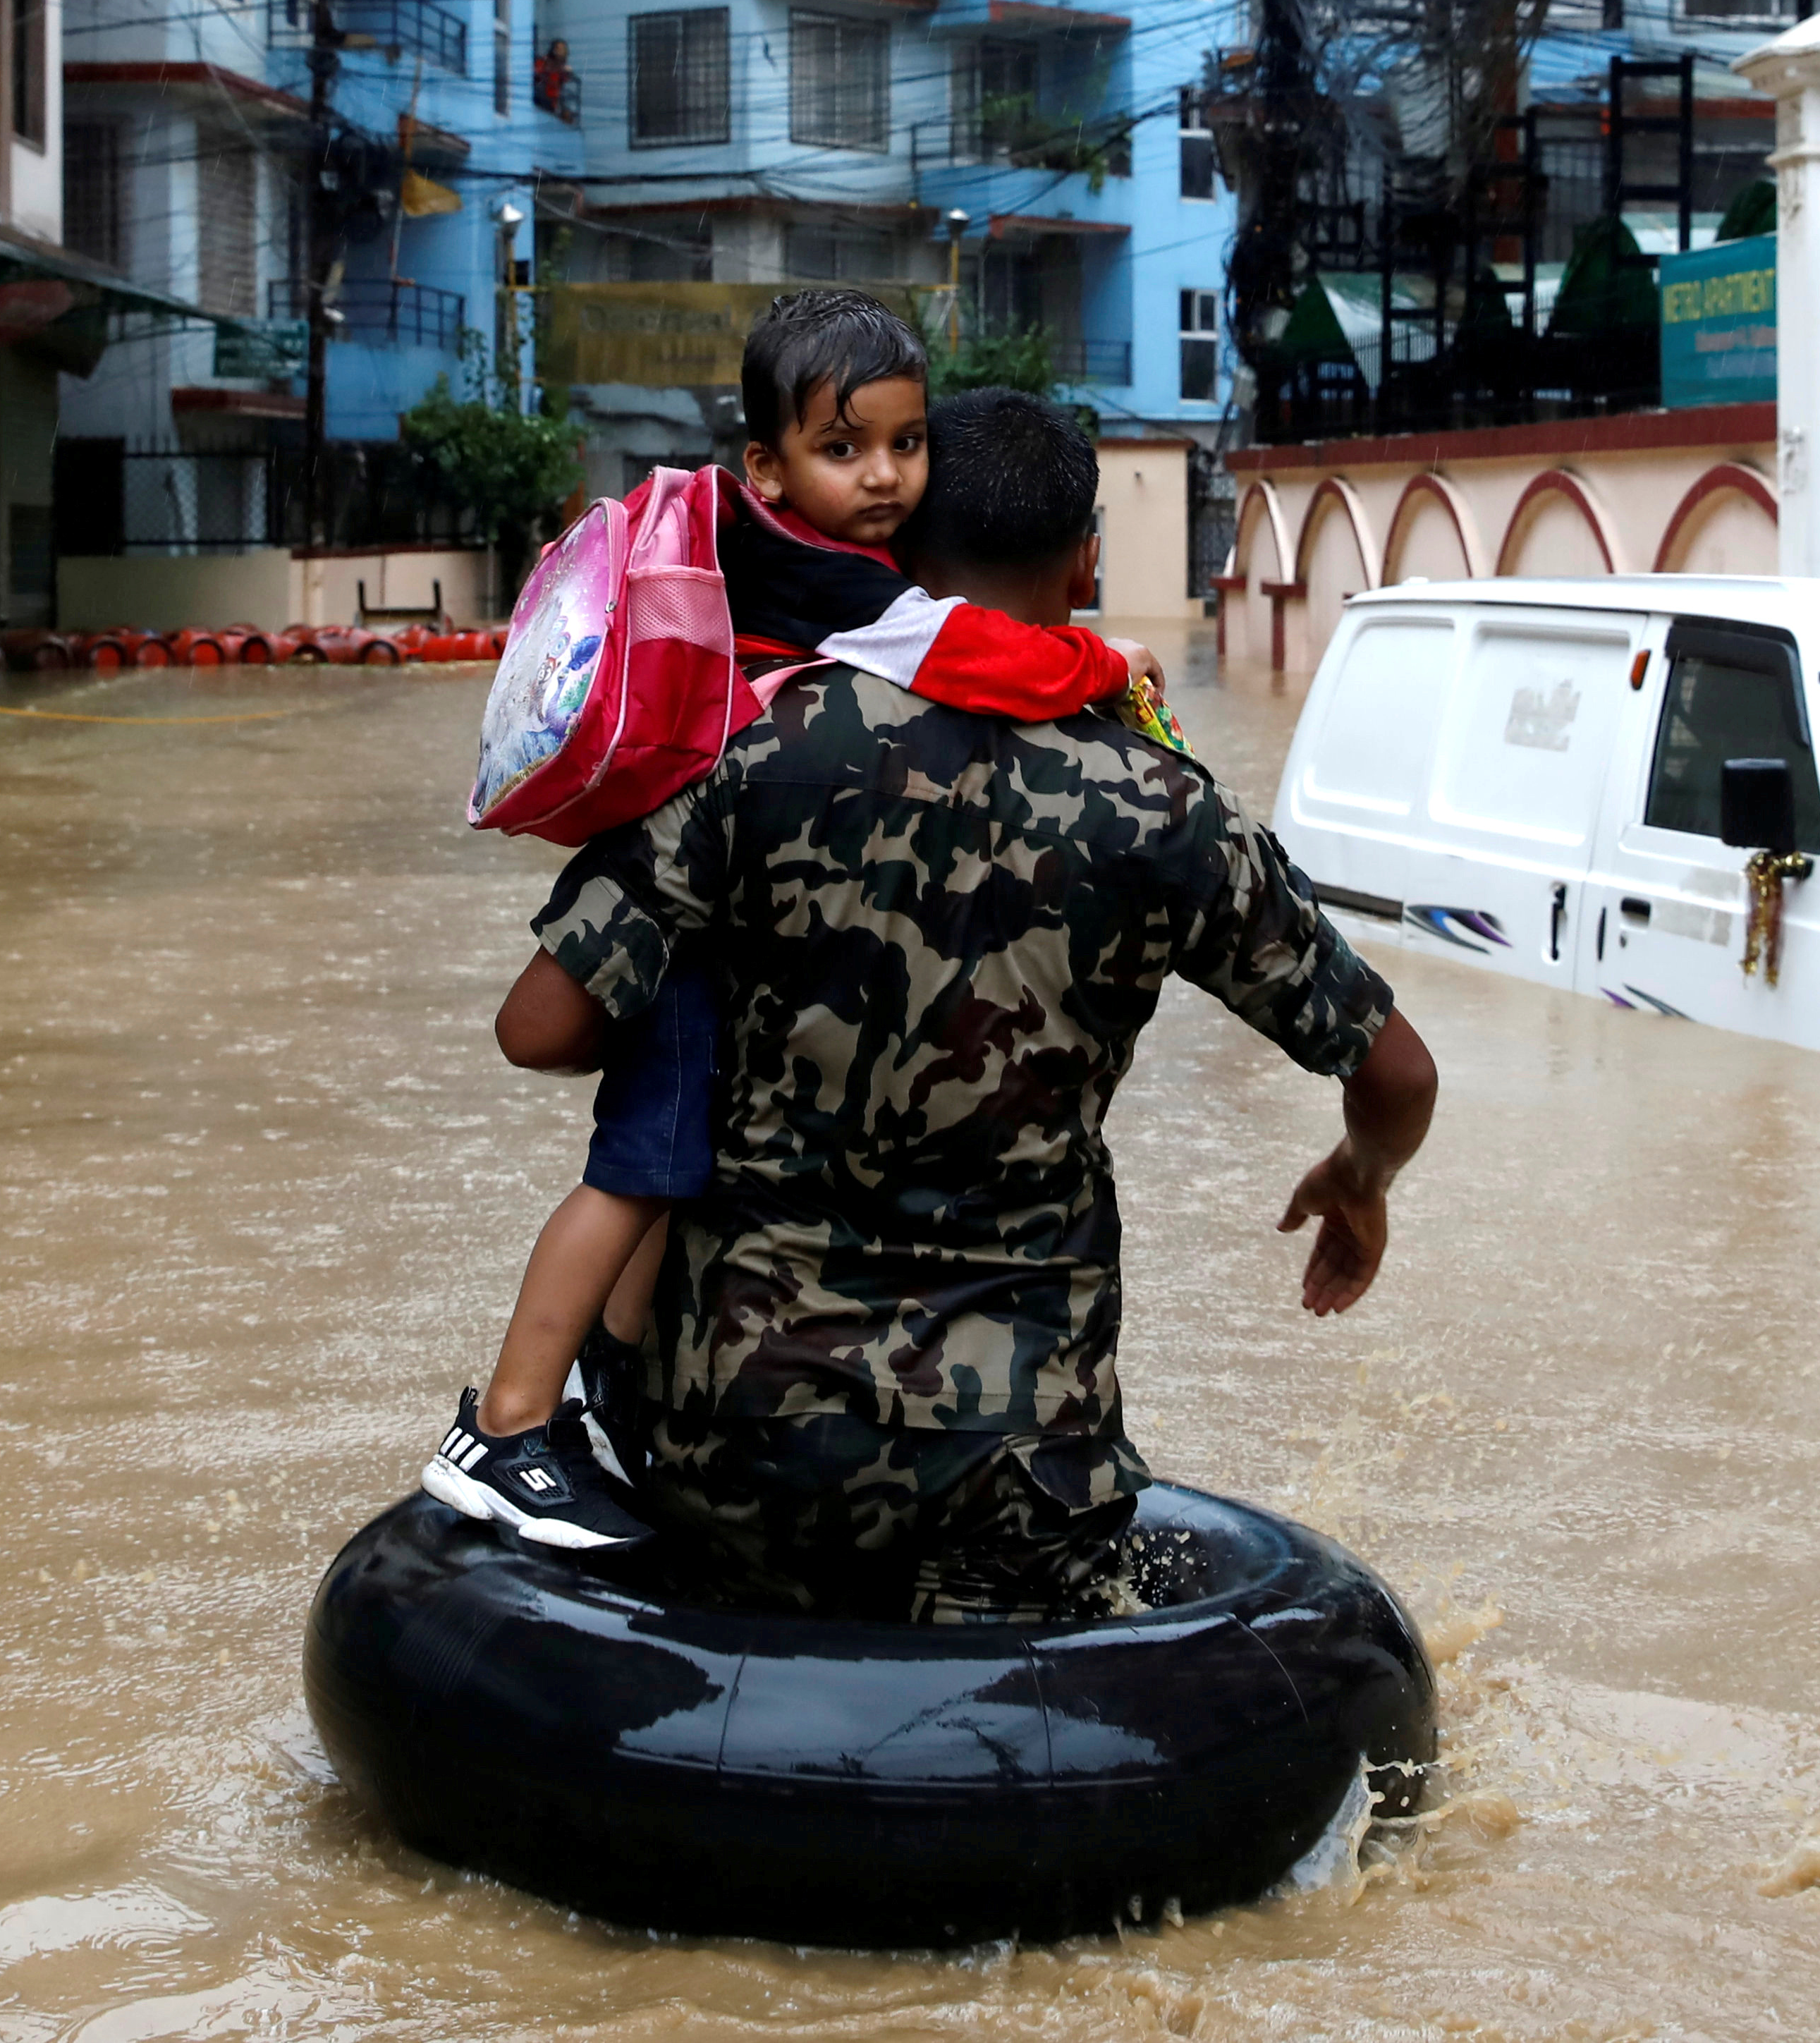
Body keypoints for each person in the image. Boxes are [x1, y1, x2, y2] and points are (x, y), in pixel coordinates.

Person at [485, 388, 1436, 1623]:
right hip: (1022, 1473)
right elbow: (1395, 1069)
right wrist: (1360, 1174)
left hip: (738, 1450)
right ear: (1087, 559)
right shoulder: (1164, 805)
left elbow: (542, 1024)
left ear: (896, 552)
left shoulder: (759, 747)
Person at [419, 298, 1161, 1551]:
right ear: (769, 463)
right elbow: (984, 656)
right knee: (637, 1168)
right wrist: (1102, 661)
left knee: (679, 1154)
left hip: (691, 899)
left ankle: (612, 1381)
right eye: (845, 447)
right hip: (692, 918)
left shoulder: (753, 528)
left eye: (907, 444)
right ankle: (506, 1423)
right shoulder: (831, 581)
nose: (884, 476)